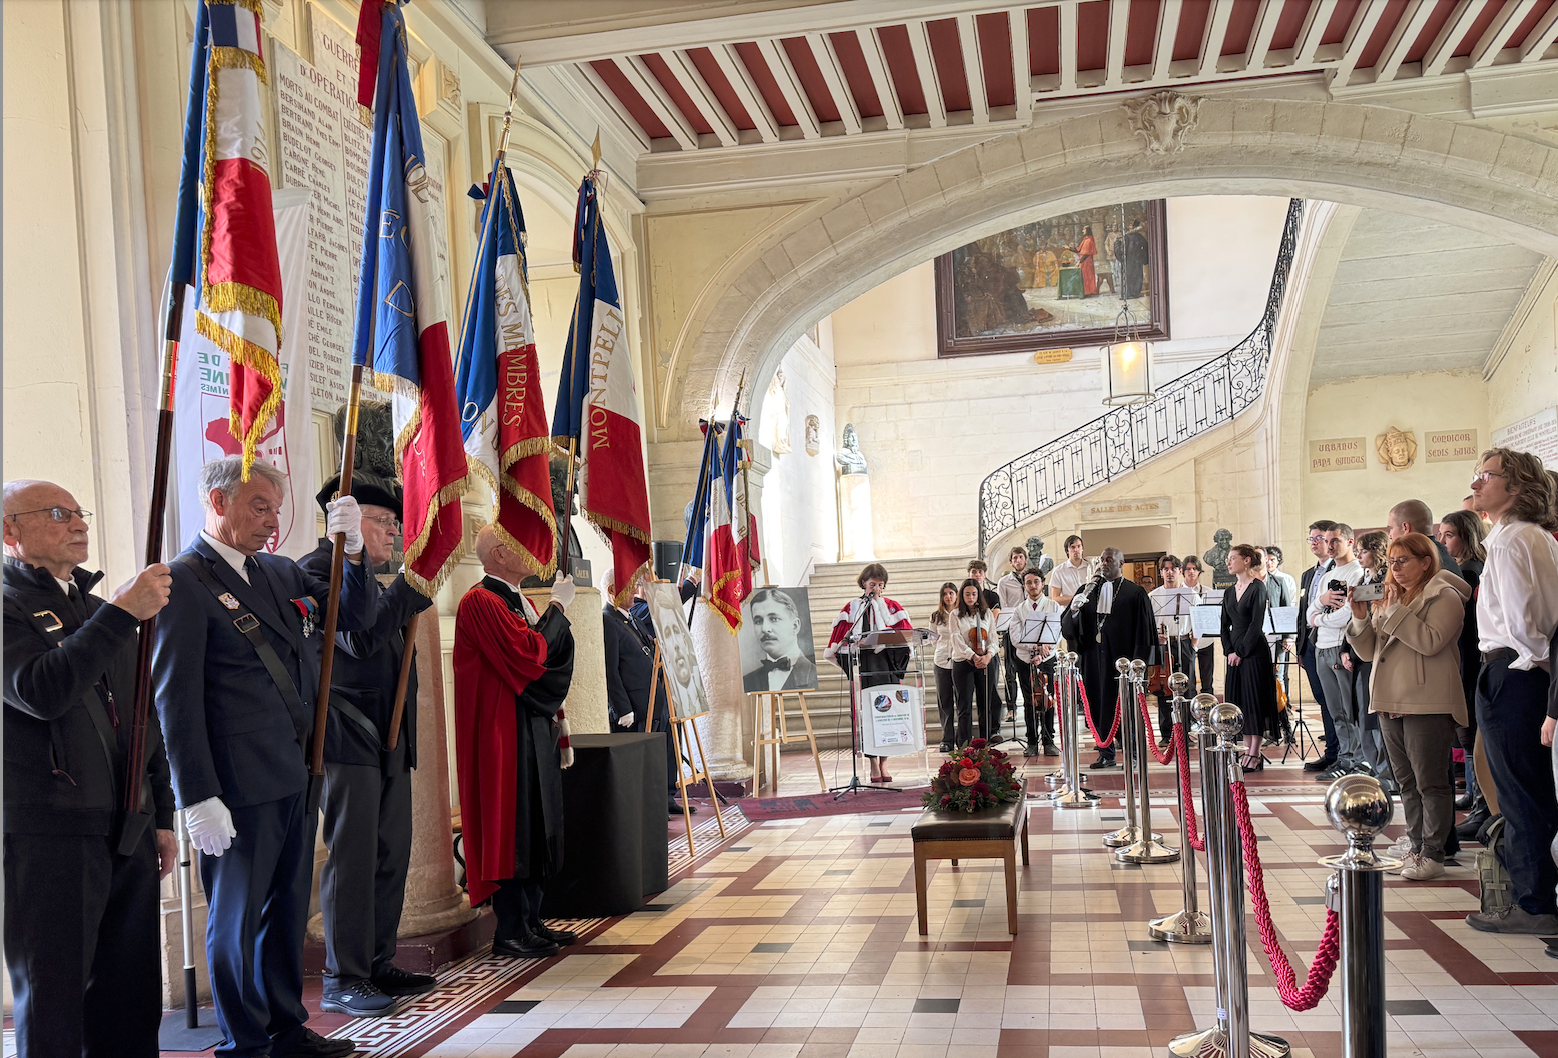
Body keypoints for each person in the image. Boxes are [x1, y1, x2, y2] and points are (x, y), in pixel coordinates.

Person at [152, 455, 370, 1058]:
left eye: (275, 509)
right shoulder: (183, 582)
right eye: (258, 506)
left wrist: (349, 553)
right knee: (236, 918)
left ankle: (282, 1024)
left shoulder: (273, 572)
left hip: (296, 770)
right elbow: (176, 701)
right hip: (236, 787)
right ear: (217, 503)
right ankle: (243, 1041)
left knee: (285, 910)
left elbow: (353, 615)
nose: (271, 522)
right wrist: (195, 796)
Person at [3, 479, 176, 1057]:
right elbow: (40, 690)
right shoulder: (9, 608)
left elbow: (141, 718)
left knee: (130, 996)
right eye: (58, 513)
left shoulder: (99, 609)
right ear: (11, 533)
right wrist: (123, 614)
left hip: (124, 824)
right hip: (49, 830)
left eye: (80, 512)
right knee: (54, 999)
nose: (78, 524)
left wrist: (160, 813)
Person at [299, 472, 437, 1018]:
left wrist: (400, 592)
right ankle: (344, 975)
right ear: (349, 524)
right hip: (347, 735)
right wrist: (407, 591)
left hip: (389, 737)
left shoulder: (377, 581)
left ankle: (377, 960)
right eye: (383, 523)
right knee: (352, 859)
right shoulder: (318, 572)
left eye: (395, 524)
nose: (393, 534)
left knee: (390, 853)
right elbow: (356, 638)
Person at [453, 526, 581, 958]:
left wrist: (552, 616)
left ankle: (531, 920)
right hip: (500, 732)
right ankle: (509, 929)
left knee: (536, 822)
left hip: (529, 723)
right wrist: (559, 606)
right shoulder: (480, 601)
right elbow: (530, 653)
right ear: (502, 554)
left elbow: (551, 658)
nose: (538, 552)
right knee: (511, 828)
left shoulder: (520, 600)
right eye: (527, 543)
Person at [1465, 448, 1558, 934]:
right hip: (1524, 670)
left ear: (1517, 487)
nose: (1477, 484)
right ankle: (1539, 895)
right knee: (1529, 788)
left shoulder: (1510, 541)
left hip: (1517, 671)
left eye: (1487, 476)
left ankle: (1535, 903)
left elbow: (1530, 623)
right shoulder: (1525, 535)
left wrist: (1535, 666)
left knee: (1520, 792)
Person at [1346, 532, 1470, 881]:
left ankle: (1434, 853)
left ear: (1426, 562)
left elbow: (1430, 642)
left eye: (1403, 561)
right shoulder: (1392, 598)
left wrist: (1395, 609)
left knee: (1431, 783)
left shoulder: (1445, 595)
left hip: (1426, 701)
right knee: (1406, 783)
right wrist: (1359, 618)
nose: (1395, 569)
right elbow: (1370, 652)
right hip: (1388, 699)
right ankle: (1416, 846)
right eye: (1392, 561)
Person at [1061, 547, 1156, 769]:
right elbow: (1069, 629)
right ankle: (1106, 753)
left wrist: (1140, 665)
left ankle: (1132, 753)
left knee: (1126, 707)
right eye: (1102, 560)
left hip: (1124, 661)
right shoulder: (1086, 590)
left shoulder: (1135, 593)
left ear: (1121, 563)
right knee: (1097, 704)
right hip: (1094, 659)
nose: (1104, 563)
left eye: (1109, 560)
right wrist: (1074, 612)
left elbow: (1145, 631)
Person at [601, 571, 682, 815]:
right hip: (635, 706)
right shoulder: (607, 619)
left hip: (654, 699)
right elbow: (610, 669)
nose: (636, 592)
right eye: (630, 586)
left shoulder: (631, 618)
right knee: (641, 760)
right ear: (613, 591)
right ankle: (647, 807)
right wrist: (622, 708)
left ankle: (664, 798)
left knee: (660, 753)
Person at [823, 563, 912, 782]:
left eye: (880, 585)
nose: (876, 589)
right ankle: (873, 762)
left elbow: (906, 638)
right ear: (864, 583)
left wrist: (889, 638)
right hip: (866, 667)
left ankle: (884, 762)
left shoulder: (893, 607)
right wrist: (857, 643)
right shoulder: (853, 608)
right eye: (873, 584)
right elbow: (839, 642)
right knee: (871, 717)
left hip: (888, 665)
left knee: (889, 716)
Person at [1440, 509, 1492, 832]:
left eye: (1449, 535)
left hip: (1471, 663)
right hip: (1468, 663)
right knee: (1469, 737)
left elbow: (1468, 629)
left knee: (1473, 738)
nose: (1443, 541)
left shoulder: (1470, 573)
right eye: (1441, 535)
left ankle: (1482, 807)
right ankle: (1476, 798)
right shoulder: (1462, 570)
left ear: (1467, 535)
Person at [1309, 523, 1364, 781]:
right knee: (1334, 710)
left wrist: (1319, 619)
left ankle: (1355, 760)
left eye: (1335, 541)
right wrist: (1319, 608)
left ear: (1350, 542)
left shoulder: (1356, 572)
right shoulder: (1329, 570)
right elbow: (1311, 609)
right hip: (1321, 647)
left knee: (1347, 708)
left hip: (1339, 647)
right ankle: (1344, 757)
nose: (1329, 546)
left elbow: (1348, 614)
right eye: (1326, 541)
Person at [1221, 544, 1278, 771]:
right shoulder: (1228, 591)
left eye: (1232, 558)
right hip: (1234, 652)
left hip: (1253, 652)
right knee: (1239, 702)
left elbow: (1256, 625)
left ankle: (1255, 754)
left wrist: (1241, 652)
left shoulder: (1258, 588)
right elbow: (1223, 626)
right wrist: (1229, 651)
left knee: (1254, 701)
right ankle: (1246, 751)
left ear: (1246, 561)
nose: (1228, 562)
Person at [1297, 520, 1340, 772]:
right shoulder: (1308, 574)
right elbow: (1302, 613)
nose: (1314, 543)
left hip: (1330, 640)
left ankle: (1340, 752)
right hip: (1310, 645)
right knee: (1322, 699)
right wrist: (1301, 646)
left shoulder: (1339, 570)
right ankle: (1331, 751)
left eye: (1319, 538)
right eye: (1310, 539)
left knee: (1336, 701)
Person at [1010, 568, 1061, 755]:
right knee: (1029, 700)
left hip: (1047, 659)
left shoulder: (1053, 606)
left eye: (1036, 582)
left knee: (1048, 700)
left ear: (1043, 583)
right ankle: (1032, 741)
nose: (1033, 585)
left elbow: (1057, 633)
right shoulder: (1019, 610)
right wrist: (1035, 648)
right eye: (1029, 582)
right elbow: (1015, 637)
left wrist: (1044, 649)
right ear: (1024, 586)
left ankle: (1049, 741)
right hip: (1025, 660)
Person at [1149, 555, 1198, 745]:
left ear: (1180, 571)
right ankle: (1167, 733)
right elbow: (1148, 624)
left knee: (1187, 687)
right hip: (1162, 645)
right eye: (1165, 569)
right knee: (1163, 688)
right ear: (1161, 573)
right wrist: (1155, 637)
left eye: (1173, 569)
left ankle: (1185, 732)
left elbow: (1198, 624)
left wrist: (1193, 646)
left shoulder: (1192, 594)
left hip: (1184, 643)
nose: (1169, 572)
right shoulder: (1153, 596)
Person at [948, 579, 1000, 745]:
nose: (970, 597)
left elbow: (993, 638)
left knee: (985, 705)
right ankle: (964, 744)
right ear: (962, 596)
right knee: (965, 707)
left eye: (974, 594)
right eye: (967, 594)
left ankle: (984, 743)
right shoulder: (955, 615)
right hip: (963, 663)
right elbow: (956, 640)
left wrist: (988, 656)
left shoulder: (986, 614)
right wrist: (973, 656)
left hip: (985, 662)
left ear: (979, 595)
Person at [742, 587, 817, 693]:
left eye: (774, 619)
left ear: (795, 626)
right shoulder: (748, 681)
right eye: (758, 621)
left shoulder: (812, 676)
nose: (765, 629)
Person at [1387, 499, 1461, 578]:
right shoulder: (1445, 555)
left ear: (1406, 527)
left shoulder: (1417, 561)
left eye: (1391, 528)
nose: (1390, 536)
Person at [996, 546, 1029, 723]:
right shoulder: (1004, 582)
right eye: (1014, 558)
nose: (1018, 560)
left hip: (1031, 630)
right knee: (1010, 672)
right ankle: (1011, 709)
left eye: (1020, 557)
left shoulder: (1031, 578)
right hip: (1012, 629)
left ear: (1025, 559)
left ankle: (1033, 704)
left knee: (1030, 670)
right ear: (1011, 562)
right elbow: (1004, 606)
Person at [929, 582, 959, 753]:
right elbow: (933, 638)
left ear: (956, 595)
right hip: (941, 661)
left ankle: (963, 738)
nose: (948, 596)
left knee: (961, 700)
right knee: (945, 700)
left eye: (951, 593)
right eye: (945, 594)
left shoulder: (961, 614)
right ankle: (947, 739)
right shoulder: (935, 616)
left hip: (959, 659)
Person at [1181, 556, 1216, 693]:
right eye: (1188, 569)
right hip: (1185, 641)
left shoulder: (1208, 592)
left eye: (1194, 569)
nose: (1191, 572)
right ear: (1183, 571)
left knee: (1207, 679)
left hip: (1206, 640)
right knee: (1188, 679)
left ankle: (1208, 709)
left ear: (1199, 572)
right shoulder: (1178, 592)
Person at [1049, 535, 1090, 609]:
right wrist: (1076, 599)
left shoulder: (1090, 567)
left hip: (1089, 610)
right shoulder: (1058, 571)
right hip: (1069, 612)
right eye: (1073, 547)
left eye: (1079, 546)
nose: (1076, 550)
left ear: (1082, 548)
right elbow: (1055, 599)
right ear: (1067, 551)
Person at [1073, 225, 1098, 296]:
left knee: (1087, 275)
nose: (1082, 231)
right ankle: (1086, 291)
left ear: (1087, 231)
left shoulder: (1089, 240)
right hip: (1084, 261)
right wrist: (1069, 248)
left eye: (1084, 229)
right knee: (1085, 276)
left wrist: (1079, 262)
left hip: (1086, 261)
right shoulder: (1085, 239)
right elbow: (1078, 250)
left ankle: (1089, 291)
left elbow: (1087, 254)